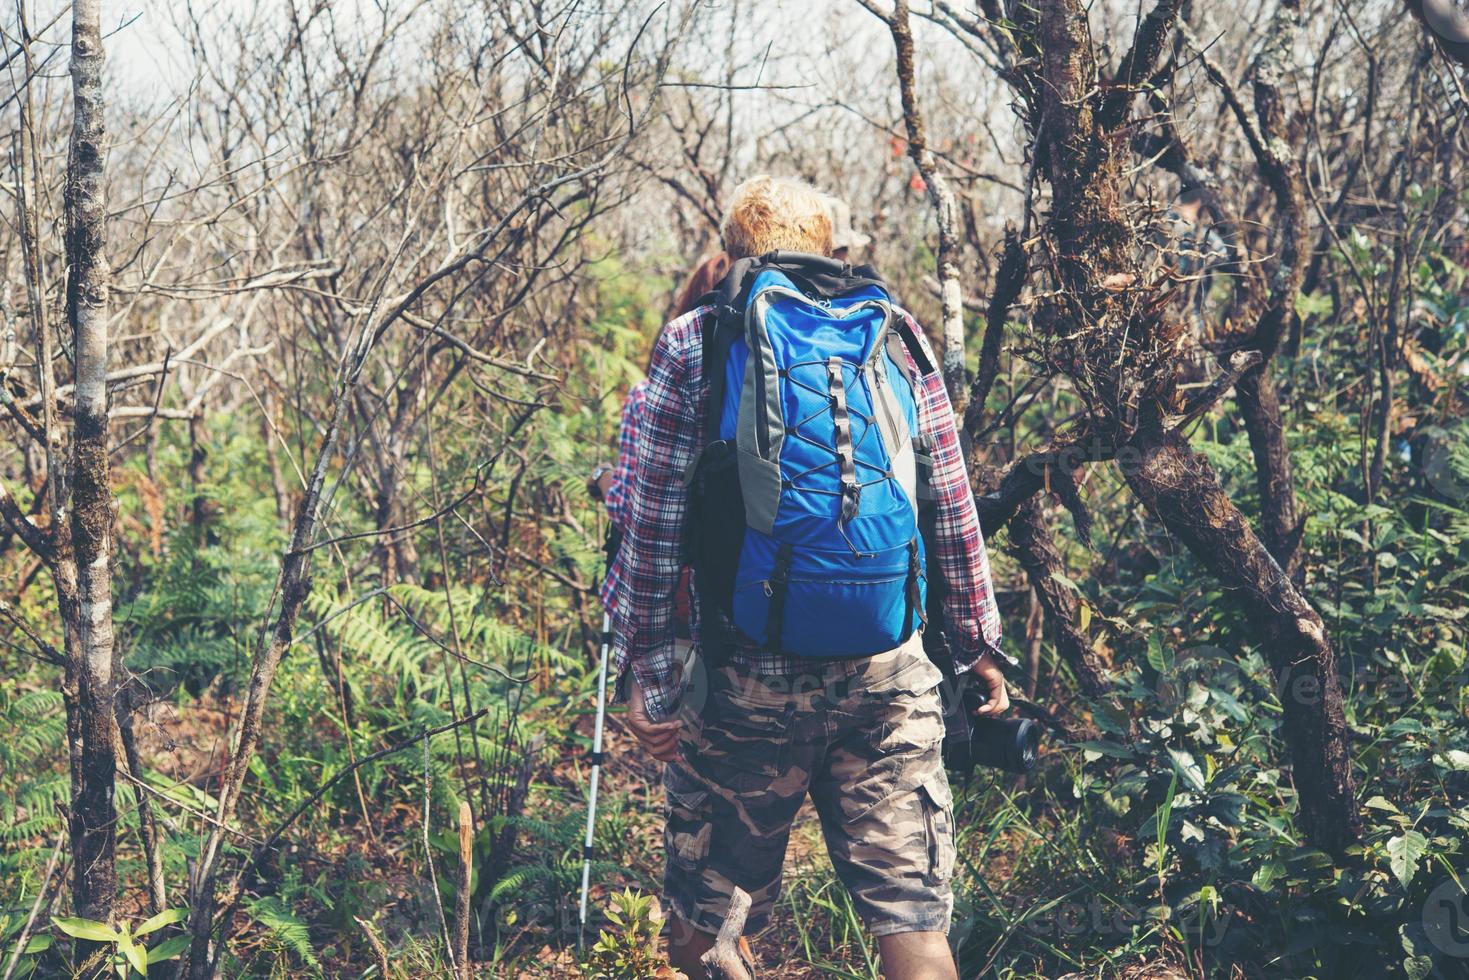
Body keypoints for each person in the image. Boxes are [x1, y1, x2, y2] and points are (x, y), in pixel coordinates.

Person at [612, 174, 1009, 980]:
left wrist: (649, 674)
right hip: (888, 669)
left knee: (707, 925)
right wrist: (973, 645)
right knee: (913, 923)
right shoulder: (894, 332)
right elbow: (948, 497)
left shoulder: (697, 340)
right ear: (833, 253)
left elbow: (649, 521)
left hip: (743, 680)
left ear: (729, 258)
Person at [589, 253, 731, 623]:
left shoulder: (645, 396)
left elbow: (632, 511)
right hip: (734, 601)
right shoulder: (756, 398)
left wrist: (603, 480)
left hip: (671, 604)